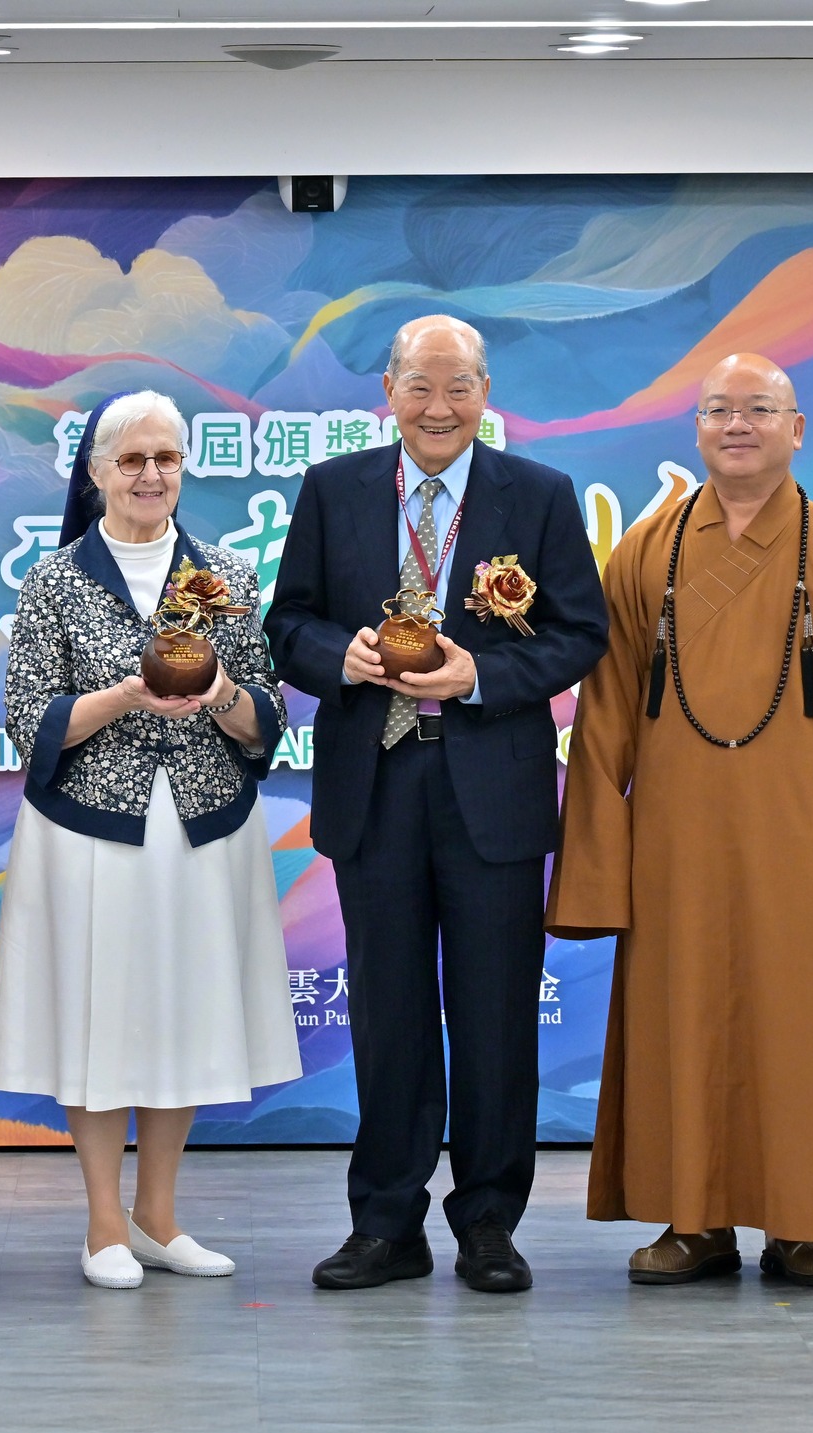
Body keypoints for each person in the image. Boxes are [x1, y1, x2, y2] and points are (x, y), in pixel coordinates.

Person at [264, 315, 607, 1294]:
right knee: (387, 1015)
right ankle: (386, 1225)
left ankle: (490, 1225)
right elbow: (288, 622)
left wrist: (481, 675)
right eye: (420, 387)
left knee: (498, 1016)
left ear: (485, 392)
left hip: (490, 789)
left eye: (458, 388)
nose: (439, 408)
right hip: (375, 787)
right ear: (389, 390)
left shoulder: (534, 496)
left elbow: (580, 633)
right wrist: (345, 657)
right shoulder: (335, 490)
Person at [0, 389, 301, 1289]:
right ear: (95, 473)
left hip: (203, 826)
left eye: (165, 459)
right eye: (131, 460)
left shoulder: (227, 576)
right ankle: (103, 1223)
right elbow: (26, 719)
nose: (150, 475)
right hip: (90, 830)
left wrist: (224, 697)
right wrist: (127, 691)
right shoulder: (54, 579)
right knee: (98, 1015)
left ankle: (160, 1216)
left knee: (185, 1014)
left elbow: (266, 715)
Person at [547, 353, 813, 1287]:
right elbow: (602, 719)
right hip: (676, 840)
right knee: (683, 1016)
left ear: (796, 429)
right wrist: (600, 865)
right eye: (719, 409)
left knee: (798, 1025)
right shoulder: (649, 551)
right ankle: (697, 1221)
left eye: (759, 409)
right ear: (696, 430)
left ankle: (803, 1224)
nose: (737, 425)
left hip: (798, 835)